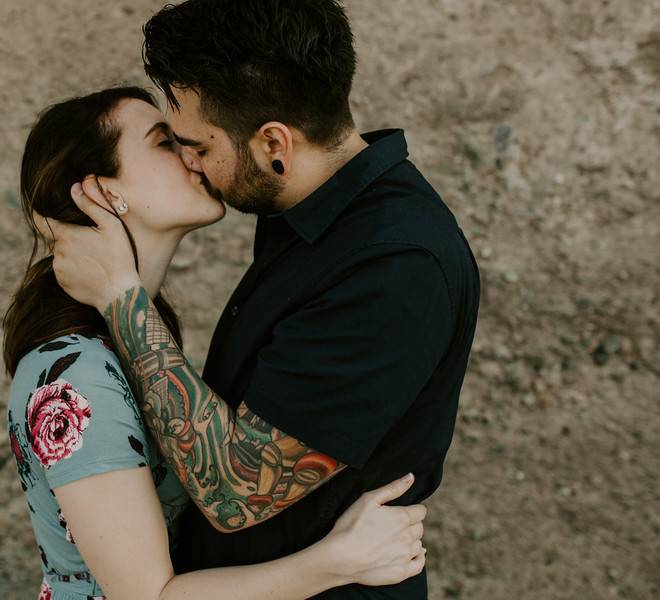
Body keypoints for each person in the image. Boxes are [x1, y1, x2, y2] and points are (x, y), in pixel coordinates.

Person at [34, 1, 481, 598]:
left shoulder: (393, 265)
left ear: (275, 142)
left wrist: (121, 292)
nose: (190, 161)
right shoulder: (305, 217)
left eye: (194, 142)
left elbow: (235, 490)